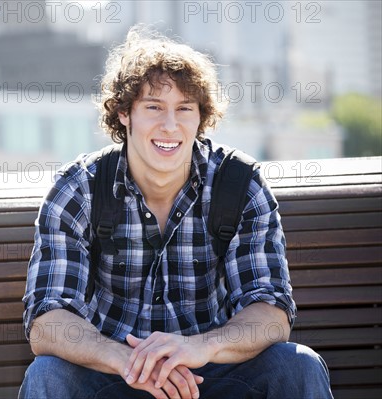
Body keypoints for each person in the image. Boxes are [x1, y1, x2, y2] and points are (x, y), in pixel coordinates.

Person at [20, 26, 333, 399]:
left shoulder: (240, 185)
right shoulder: (79, 188)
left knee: (297, 365)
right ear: (124, 113)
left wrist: (201, 347)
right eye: (154, 107)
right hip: (113, 374)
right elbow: (46, 322)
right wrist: (125, 360)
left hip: (211, 375)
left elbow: (271, 313)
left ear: (200, 117)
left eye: (184, 108)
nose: (170, 125)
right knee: (48, 375)